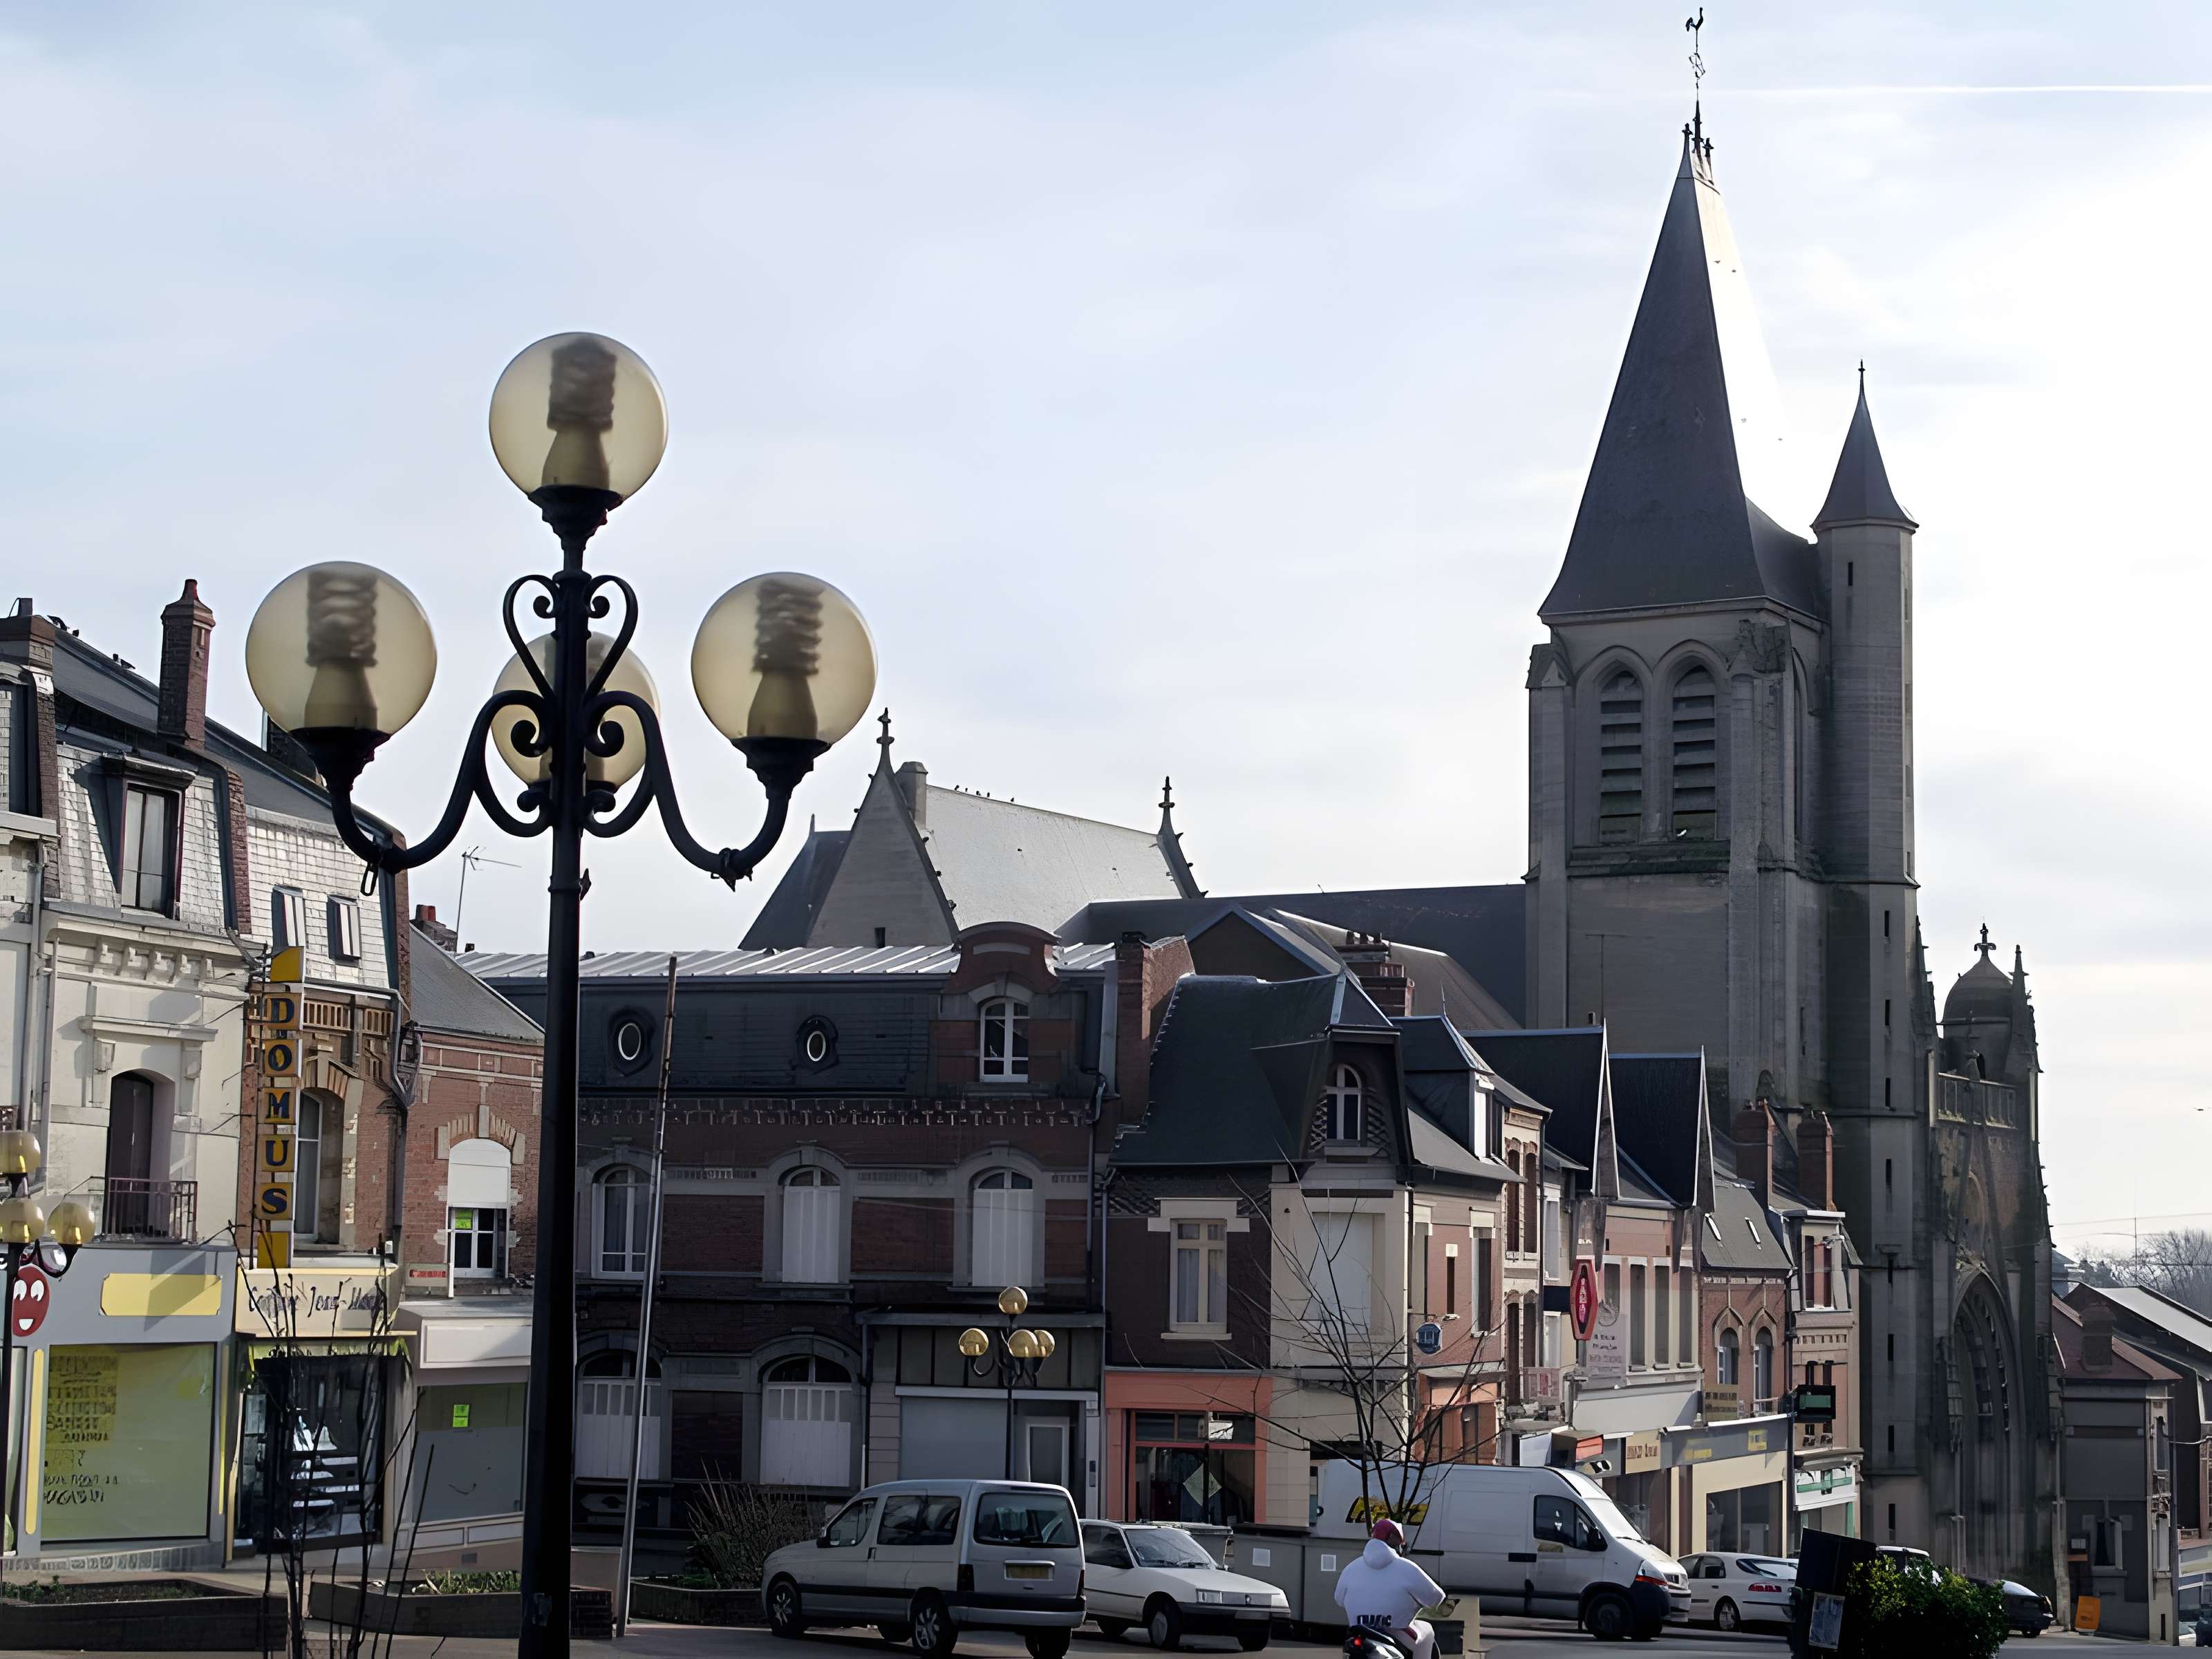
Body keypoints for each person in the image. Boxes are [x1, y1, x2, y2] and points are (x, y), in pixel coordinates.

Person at [1333, 1518, 1447, 1659]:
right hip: (1396, 1632)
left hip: (1359, 1632)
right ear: (1397, 1543)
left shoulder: (1350, 1568)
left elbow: (1338, 1599)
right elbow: (1436, 1598)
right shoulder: (1406, 1568)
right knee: (1427, 1630)